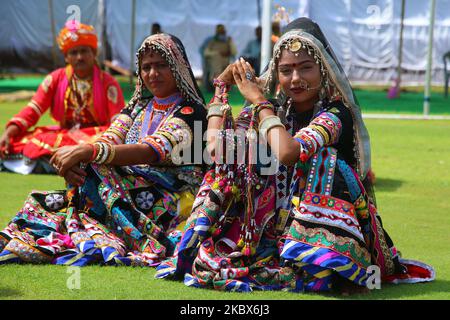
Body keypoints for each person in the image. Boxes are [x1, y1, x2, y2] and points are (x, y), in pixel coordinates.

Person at [156, 18, 434, 294]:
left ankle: (323, 257)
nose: (296, 79)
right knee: (229, 168)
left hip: (332, 219)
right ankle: (263, 244)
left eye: (305, 68)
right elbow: (217, 149)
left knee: (325, 163)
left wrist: (260, 102)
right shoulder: (273, 109)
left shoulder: (337, 114)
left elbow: (289, 153)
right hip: (274, 222)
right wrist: (221, 88)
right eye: (286, 70)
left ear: (323, 70)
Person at [0, 33, 207, 267]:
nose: (152, 74)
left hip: (174, 195)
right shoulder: (139, 106)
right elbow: (110, 137)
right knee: (48, 200)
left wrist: (87, 153)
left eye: (161, 66)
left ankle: (99, 225)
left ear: (178, 67)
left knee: (94, 162)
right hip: (131, 184)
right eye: (146, 67)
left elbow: (151, 150)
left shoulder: (191, 111)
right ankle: (91, 220)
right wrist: (78, 162)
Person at [0, 20, 125, 175]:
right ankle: (70, 164)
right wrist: (9, 132)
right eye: (73, 52)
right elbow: (34, 109)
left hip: (97, 134)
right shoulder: (55, 79)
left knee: (103, 141)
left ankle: (52, 163)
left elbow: (118, 121)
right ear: (66, 57)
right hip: (65, 133)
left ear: (93, 54)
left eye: (84, 51)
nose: (79, 57)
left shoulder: (108, 83)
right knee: (24, 140)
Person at [203, 24, 237, 92]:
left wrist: (231, 42)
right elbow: (206, 53)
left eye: (222, 32)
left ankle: (218, 81)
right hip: (214, 61)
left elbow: (234, 52)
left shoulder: (228, 41)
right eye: (220, 32)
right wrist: (217, 53)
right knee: (216, 59)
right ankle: (216, 80)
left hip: (226, 61)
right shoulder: (212, 41)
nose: (221, 34)